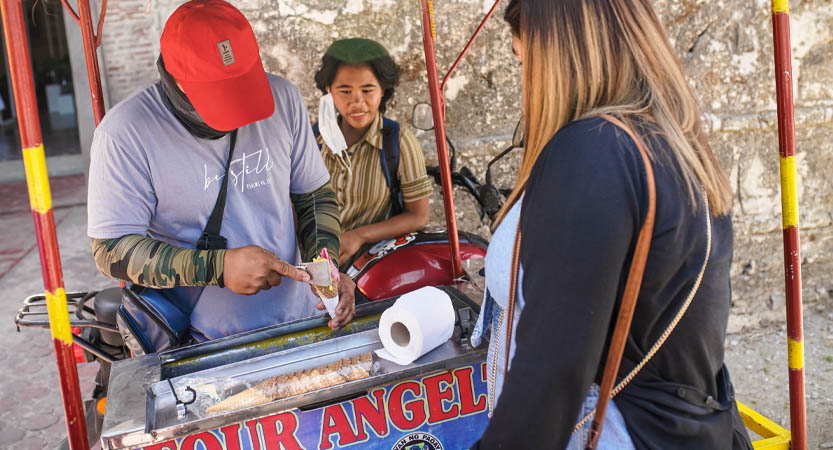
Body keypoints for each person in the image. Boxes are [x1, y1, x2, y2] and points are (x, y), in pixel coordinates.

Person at [470, 0, 753, 449]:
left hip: (614, 430)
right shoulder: (669, 143)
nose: (524, 82)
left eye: (523, 60)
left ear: (559, 55)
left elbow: (552, 372)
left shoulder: (591, 152)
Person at [86, 0, 354, 347]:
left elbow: (315, 198)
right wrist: (218, 267)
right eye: (220, 94)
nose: (240, 113)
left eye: (242, 86)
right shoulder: (125, 133)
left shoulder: (283, 98)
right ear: (176, 80)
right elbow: (111, 249)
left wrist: (326, 269)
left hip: (303, 321)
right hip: (202, 341)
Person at [312, 38, 433, 269]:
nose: (357, 102)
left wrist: (360, 236)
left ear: (382, 90)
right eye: (345, 90)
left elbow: (419, 217)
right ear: (329, 91)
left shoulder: (397, 141)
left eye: (367, 90)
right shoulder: (312, 141)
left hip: (373, 270)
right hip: (317, 269)